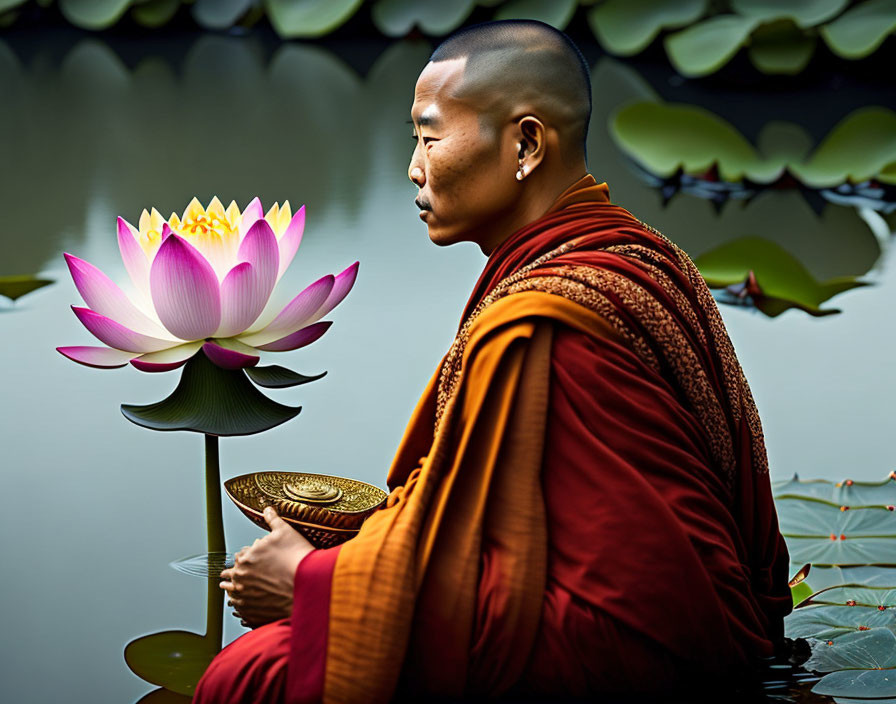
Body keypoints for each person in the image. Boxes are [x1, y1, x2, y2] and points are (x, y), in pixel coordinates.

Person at [195, 19, 792, 704]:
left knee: (251, 674)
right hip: (694, 617)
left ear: (527, 144)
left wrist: (311, 588)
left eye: (429, 137)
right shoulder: (645, 256)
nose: (414, 169)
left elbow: (648, 620)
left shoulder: (547, 321)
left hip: (655, 655)